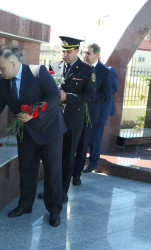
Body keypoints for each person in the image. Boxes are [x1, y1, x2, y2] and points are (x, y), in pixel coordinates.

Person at [0, 50, 66, 227]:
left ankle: (54, 210)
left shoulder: (38, 72)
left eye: (2, 68)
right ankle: (25, 205)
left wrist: (34, 113)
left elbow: (54, 96)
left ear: (13, 63)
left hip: (49, 131)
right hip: (26, 133)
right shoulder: (3, 82)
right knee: (26, 170)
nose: (0, 72)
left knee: (53, 173)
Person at [39, 36, 96, 203]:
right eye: (63, 51)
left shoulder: (87, 70)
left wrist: (67, 97)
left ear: (77, 51)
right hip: (53, 120)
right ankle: (50, 189)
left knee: (67, 157)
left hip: (72, 121)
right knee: (51, 157)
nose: (65, 54)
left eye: (68, 51)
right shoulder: (54, 66)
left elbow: (90, 96)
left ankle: (62, 191)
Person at [72, 43, 111, 184]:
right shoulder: (79, 68)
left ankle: (76, 176)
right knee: (70, 145)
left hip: (89, 116)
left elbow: (107, 95)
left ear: (97, 55)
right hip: (74, 113)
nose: (84, 56)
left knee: (82, 147)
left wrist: (90, 97)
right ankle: (65, 173)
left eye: (88, 53)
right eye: (84, 52)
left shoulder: (105, 72)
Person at [83, 65, 118, 173]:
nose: (85, 59)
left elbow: (112, 89)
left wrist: (93, 95)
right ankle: (89, 156)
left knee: (96, 135)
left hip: (102, 109)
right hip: (88, 109)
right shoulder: (87, 69)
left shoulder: (109, 70)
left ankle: (93, 163)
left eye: (88, 55)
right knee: (87, 135)